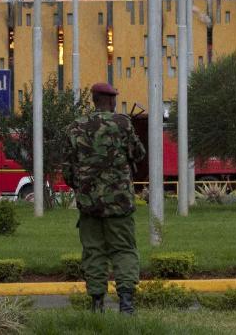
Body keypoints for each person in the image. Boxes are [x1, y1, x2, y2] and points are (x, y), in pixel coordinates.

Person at [63, 82, 146, 315]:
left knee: (93, 251)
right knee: (124, 250)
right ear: (110, 101)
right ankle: (126, 304)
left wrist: (83, 189)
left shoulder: (76, 126)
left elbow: (68, 169)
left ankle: (97, 304)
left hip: (89, 204)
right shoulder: (122, 123)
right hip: (119, 203)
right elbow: (139, 154)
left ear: (93, 100)